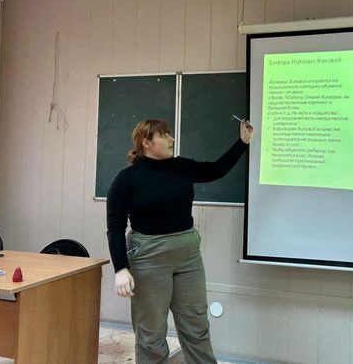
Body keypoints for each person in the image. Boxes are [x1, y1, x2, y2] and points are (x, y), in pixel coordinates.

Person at [106, 118, 253, 364]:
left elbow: (217, 169)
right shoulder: (126, 179)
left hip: (188, 256)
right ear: (146, 143)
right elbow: (115, 227)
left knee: (197, 327)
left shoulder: (182, 167)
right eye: (164, 135)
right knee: (151, 333)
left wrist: (243, 142)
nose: (171, 139)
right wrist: (121, 268)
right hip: (149, 258)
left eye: (169, 134)